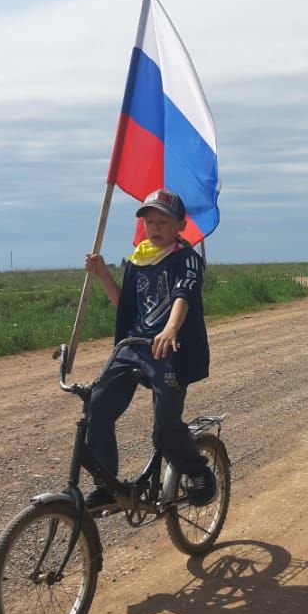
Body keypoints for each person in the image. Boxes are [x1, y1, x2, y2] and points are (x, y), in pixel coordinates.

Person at [81, 188, 215, 510]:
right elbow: (125, 306)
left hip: (170, 350)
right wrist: (102, 275)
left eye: (162, 222)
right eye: (149, 222)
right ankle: (110, 487)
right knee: (95, 409)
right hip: (134, 347)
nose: (154, 228)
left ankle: (199, 473)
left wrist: (170, 328)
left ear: (180, 226)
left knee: (165, 429)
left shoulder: (187, 259)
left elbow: (183, 296)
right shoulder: (138, 261)